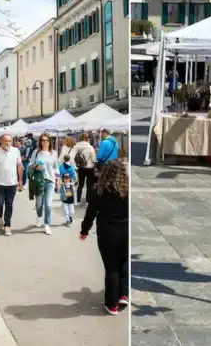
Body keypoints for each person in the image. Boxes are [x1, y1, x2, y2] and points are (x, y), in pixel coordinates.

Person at [79, 159, 129, 315]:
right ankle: (123, 294)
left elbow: (91, 213)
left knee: (111, 266)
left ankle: (112, 304)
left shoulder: (98, 190)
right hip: (126, 229)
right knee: (124, 263)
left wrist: (84, 231)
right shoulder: (127, 189)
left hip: (107, 232)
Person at [0, 134, 22, 237]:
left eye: (9, 141)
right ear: (1, 141)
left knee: (9, 204)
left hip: (12, 183)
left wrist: (20, 180)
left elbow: (19, 166)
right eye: (5, 141)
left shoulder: (16, 151)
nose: (7, 143)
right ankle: (0, 217)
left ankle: (7, 225)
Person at [28, 133, 58, 235]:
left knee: (48, 205)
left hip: (50, 181)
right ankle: (39, 216)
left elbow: (56, 167)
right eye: (43, 140)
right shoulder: (36, 152)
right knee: (39, 204)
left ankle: (47, 224)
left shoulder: (53, 153)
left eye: (47, 140)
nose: (45, 142)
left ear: (50, 141)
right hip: (39, 181)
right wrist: (35, 167)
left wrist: (57, 180)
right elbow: (30, 164)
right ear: (40, 141)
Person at [74, 133, 97, 206]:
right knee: (89, 185)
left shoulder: (76, 146)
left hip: (80, 168)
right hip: (89, 168)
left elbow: (74, 157)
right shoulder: (90, 147)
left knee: (80, 185)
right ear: (88, 139)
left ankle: (78, 201)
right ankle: (87, 202)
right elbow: (93, 159)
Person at [58, 160, 77, 225]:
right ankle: (67, 220)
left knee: (72, 211)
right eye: (65, 178)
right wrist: (59, 185)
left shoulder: (72, 185)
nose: (66, 179)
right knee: (66, 211)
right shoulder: (62, 185)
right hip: (65, 201)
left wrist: (75, 202)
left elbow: (74, 193)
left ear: (69, 179)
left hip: (71, 201)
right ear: (63, 179)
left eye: (68, 178)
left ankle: (70, 217)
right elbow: (59, 191)